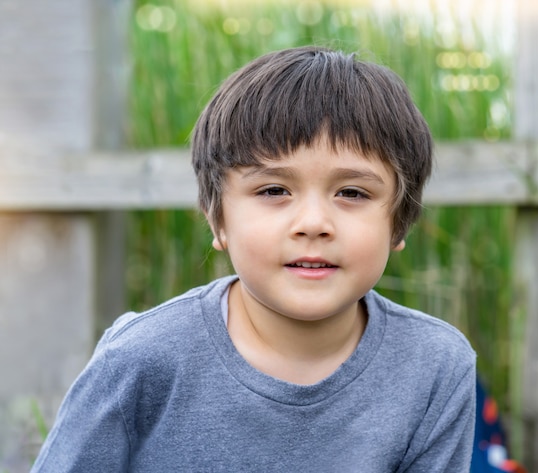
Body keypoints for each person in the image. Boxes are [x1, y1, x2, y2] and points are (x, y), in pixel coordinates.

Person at [32, 46, 476, 472]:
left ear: (399, 223)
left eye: (352, 193)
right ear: (218, 221)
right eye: (273, 190)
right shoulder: (139, 359)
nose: (313, 222)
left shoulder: (436, 367)